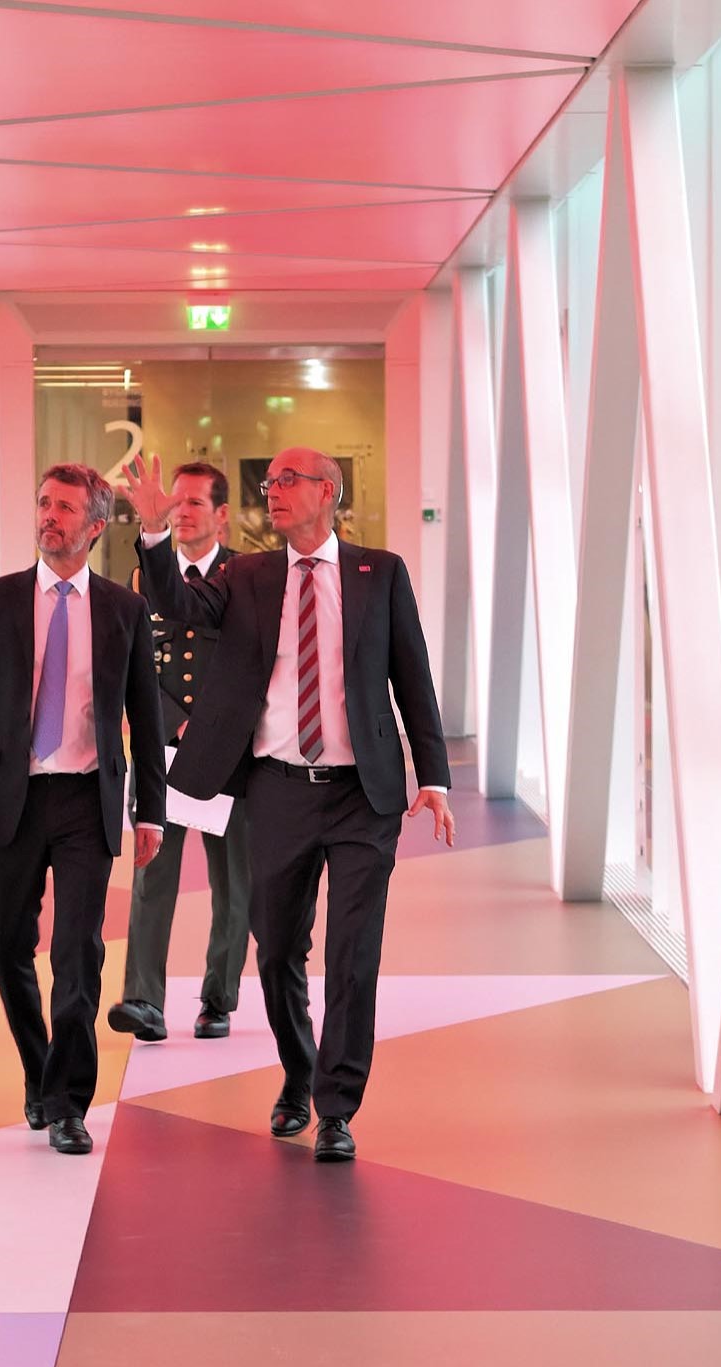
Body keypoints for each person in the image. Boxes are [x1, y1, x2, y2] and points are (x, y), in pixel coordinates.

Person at [121, 448, 454, 1163]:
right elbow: (177, 604)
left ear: (327, 492)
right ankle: (299, 1070)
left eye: (287, 481)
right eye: (267, 483)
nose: (271, 492)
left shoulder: (380, 573)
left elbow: (412, 679)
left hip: (363, 796)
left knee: (353, 953)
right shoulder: (247, 574)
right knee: (275, 952)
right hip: (276, 790)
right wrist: (153, 536)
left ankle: (336, 1107)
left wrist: (435, 775)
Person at [0, 462, 167, 1156]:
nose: (49, 517)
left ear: (95, 526)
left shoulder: (123, 610)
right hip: (10, 797)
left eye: (65, 508)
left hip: (86, 797)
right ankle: (40, 1071)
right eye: (44, 504)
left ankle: (69, 1103)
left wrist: (149, 812)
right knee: (8, 944)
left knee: (78, 953)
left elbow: (145, 716)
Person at [106, 461, 252, 1045]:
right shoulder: (145, 576)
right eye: (176, 501)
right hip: (161, 751)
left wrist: (212, 724)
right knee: (150, 876)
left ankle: (218, 999)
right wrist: (176, 721)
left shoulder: (247, 577)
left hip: (229, 755)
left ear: (222, 515)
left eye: (194, 502)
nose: (180, 510)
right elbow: (133, 665)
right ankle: (144, 999)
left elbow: (254, 666)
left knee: (234, 882)